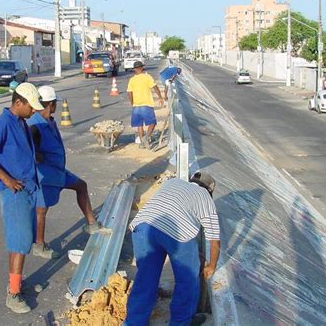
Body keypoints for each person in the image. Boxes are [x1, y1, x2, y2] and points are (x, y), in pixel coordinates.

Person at [0, 83, 44, 314]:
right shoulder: (3, 123)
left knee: (20, 241)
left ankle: (16, 282)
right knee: (20, 242)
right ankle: (13, 294)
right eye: (30, 107)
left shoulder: (21, 122)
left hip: (26, 188)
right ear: (18, 103)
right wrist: (7, 179)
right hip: (14, 191)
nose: (34, 111)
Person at [125, 172, 221, 325]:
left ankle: (134, 322)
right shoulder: (204, 197)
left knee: (145, 279)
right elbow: (214, 241)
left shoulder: (173, 182)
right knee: (187, 281)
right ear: (210, 191)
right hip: (177, 234)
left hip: (143, 227)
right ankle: (181, 322)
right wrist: (211, 266)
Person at [27, 86, 110, 259]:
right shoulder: (35, 125)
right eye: (54, 103)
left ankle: (91, 224)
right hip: (45, 175)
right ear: (50, 104)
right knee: (41, 210)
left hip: (57, 170)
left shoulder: (49, 120)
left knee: (81, 185)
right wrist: (36, 156)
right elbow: (28, 149)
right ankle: (39, 245)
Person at [127, 61, 164, 149]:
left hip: (136, 105)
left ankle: (142, 143)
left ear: (135, 69)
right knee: (152, 123)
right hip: (146, 104)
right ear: (142, 68)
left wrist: (132, 103)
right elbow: (155, 87)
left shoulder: (132, 80)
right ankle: (146, 137)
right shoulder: (147, 77)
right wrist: (160, 97)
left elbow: (129, 93)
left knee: (139, 125)